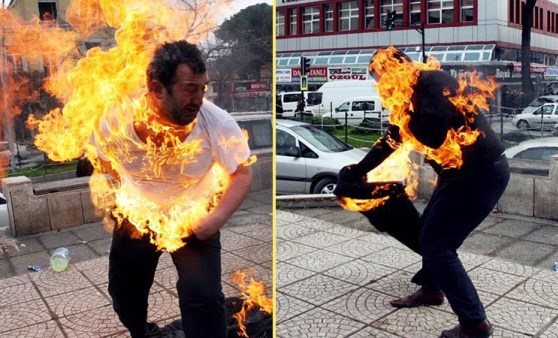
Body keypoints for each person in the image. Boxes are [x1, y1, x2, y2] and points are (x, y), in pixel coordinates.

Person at [334, 47, 509, 338]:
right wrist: (358, 170)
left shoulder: (433, 83)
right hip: (457, 175)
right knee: (427, 230)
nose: (380, 86)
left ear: (397, 69)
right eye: (376, 79)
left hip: (480, 173)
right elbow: (392, 138)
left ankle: (475, 323)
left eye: (381, 77)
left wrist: (406, 116)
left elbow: (432, 135)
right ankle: (432, 289)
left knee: (438, 244)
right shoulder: (408, 96)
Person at [92, 40, 252, 337]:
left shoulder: (216, 122)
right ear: (156, 88)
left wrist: (214, 220)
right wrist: (135, 189)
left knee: (203, 298)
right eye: (190, 89)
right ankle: (143, 332)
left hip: (194, 219)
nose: (199, 98)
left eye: (203, 88)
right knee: (124, 294)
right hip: (137, 218)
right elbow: (103, 159)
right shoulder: (116, 118)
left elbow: (242, 172)